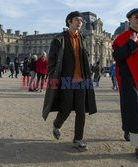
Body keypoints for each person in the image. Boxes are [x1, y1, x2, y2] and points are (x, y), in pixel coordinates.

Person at [42, 11, 97, 151]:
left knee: (81, 110)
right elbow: (51, 62)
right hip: (66, 80)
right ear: (69, 21)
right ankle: (57, 125)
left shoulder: (82, 38)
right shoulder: (59, 39)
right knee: (65, 109)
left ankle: (78, 139)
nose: (81, 22)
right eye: (78, 20)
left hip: (82, 80)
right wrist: (54, 77)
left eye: (82, 21)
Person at [112, 8, 138, 161]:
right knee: (136, 111)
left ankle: (128, 128)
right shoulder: (122, 38)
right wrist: (131, 43)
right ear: (129, 20)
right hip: (130, 80)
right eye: (136, 17)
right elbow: (117, 56)